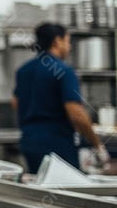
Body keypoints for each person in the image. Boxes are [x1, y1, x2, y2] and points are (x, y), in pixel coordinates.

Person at [13, 22, 108, 174]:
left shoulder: (24, 70)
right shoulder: (63, 71)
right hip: (56, 143)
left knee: (40, 188)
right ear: (58, 41)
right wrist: (97, 145)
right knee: (66, 192)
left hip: (29, 141)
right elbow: (76, 113)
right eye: (68, 41)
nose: (69, 47)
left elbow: (15, 102)